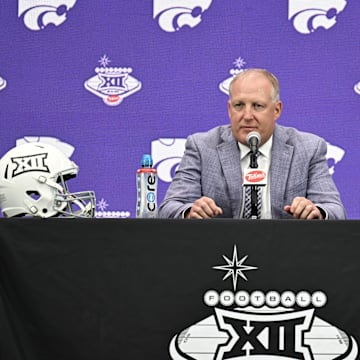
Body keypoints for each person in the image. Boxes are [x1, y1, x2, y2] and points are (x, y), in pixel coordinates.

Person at [158, 68, 346, 220]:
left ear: (277, 110)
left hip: (286, 254)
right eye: (239, 105)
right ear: (229, 109)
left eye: (257, 106)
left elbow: (335, 210)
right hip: (219, 255)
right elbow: (169, 207)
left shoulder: (308, 148)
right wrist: (190, 211)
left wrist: (317, 212)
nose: (247, 116)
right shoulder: (202, 147)